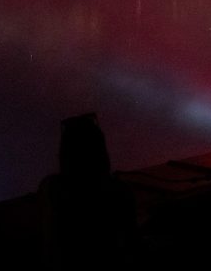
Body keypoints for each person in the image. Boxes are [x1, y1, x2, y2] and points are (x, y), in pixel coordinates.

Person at [37, 113, 137, 269]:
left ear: (64, 153)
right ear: (102, 152)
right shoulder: (120, 191)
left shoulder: (50, 188)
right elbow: (131, 242)